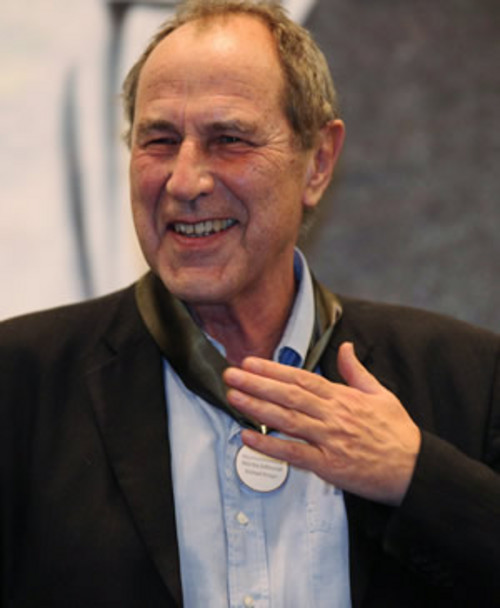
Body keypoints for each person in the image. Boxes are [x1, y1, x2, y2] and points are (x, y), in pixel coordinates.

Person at [1, 1, 499, 606]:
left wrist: (420, 479)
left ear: (317, 162)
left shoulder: (466, 379)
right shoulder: (19, 382)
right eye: (159, 140)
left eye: (229, 140)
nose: (185, 181)